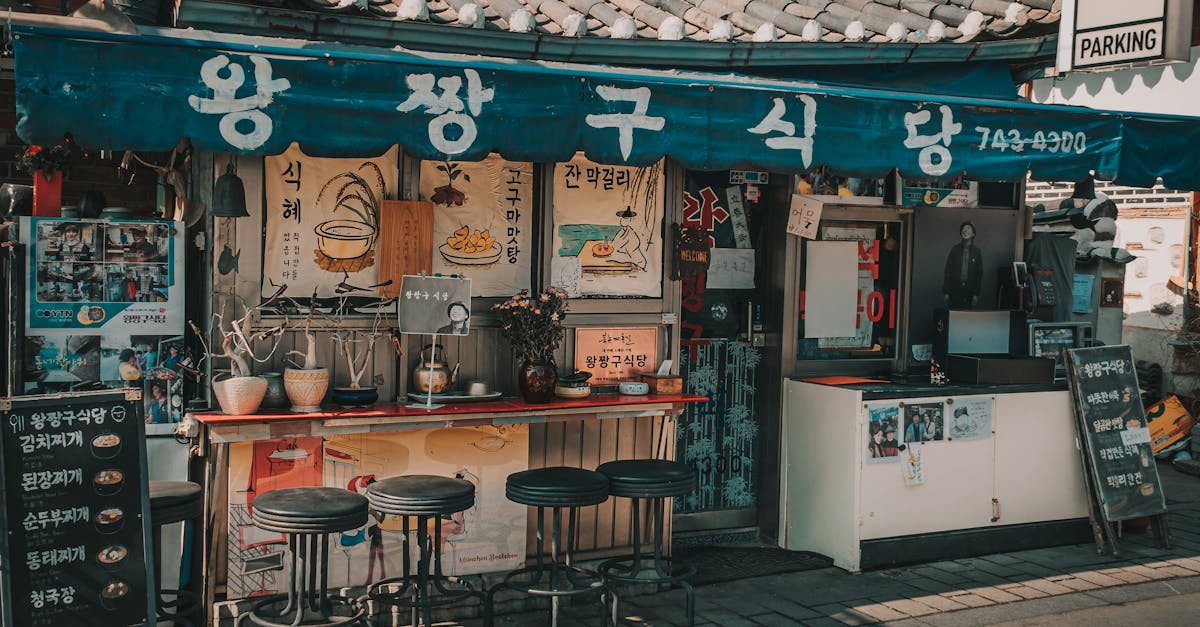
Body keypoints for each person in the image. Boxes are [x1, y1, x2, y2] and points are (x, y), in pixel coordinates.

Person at [943, 221, 983, 309]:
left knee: (966, 317)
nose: (965, 230)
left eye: (968, 228)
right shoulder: (954, 249)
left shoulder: (977, 252)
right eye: (963, 229)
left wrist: (976, 294)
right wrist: (946, 292)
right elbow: (948, 271)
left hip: (969, 292)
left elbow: (979, 274)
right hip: (954, 291)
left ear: (973, 234)